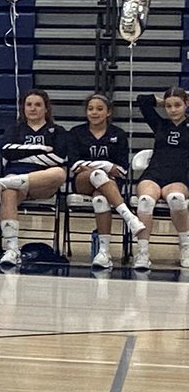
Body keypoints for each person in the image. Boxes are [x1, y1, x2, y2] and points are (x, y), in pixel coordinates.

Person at [0, 89, 69, 268]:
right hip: (16, 180)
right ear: (23, 108)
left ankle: (3, 182)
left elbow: (59, 158)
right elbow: (7, 152)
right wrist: (42, 149)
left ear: (46, 109)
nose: (33, 109)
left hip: (43, 183)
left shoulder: (57, 131)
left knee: (59, 173)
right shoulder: (14, 129)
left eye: (37, 105)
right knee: (8, 192)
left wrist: (21, 152)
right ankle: (12, 249)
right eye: (29, 105)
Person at [67, 93, 144, 269]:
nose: (94, 113)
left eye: (99, 109)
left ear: (108, 112)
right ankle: (128, 216)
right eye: (91, 109)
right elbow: (74, 164)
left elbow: (122, 169)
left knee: (100, 199)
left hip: (109, 185)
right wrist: (106, 166)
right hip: (82, 183)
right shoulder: (76, 133)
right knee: (97, 175)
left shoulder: (118, 134)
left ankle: (104, 252)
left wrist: (97, 167)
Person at [132, 88, 189, 269]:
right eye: (169, 106)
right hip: (154, 174)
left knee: (177, 200)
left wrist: (186, 95)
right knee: (145, 201)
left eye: (178, 105)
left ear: (186, 105)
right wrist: (162, 100)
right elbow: (142, 99)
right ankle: (142, 253)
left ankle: (186, 248)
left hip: (179, 176)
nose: (173, 110)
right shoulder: (160, 124)